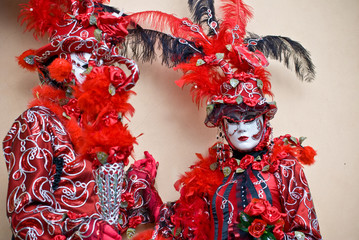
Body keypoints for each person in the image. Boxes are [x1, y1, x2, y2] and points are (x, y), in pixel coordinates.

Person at [127, 0, 322, 239]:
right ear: (222, 126)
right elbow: (179, 226)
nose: (241, 128)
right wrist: (146, 189)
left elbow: (309, 234)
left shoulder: (285, 169)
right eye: (232, 120)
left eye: (249, 118)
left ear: (263, 120)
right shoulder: (214, 175)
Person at [3, 0, 162, 239]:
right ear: (60, 66)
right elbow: (25, 217)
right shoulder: (37, 121)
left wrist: (139, 184)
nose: (95, 70)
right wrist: (85, 230)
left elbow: (108, 211)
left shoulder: (101, 126)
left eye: (100, 62)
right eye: (84, 61)